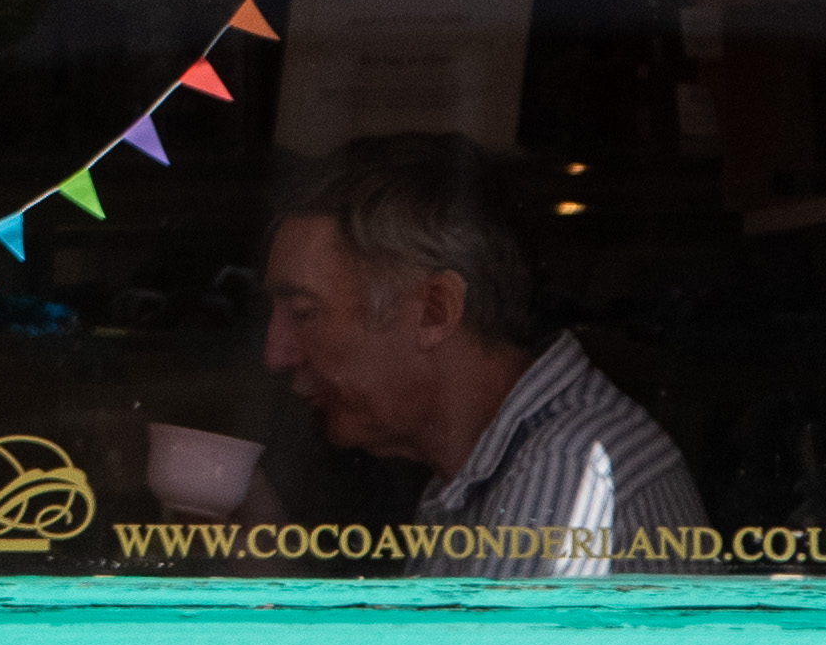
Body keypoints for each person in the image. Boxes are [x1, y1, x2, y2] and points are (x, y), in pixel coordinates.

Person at [258, 130, 701, 573]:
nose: (275, 354)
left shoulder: (566, 463)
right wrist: (256, 543)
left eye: (304, 313)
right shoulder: (476, 472)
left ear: (435, 311)